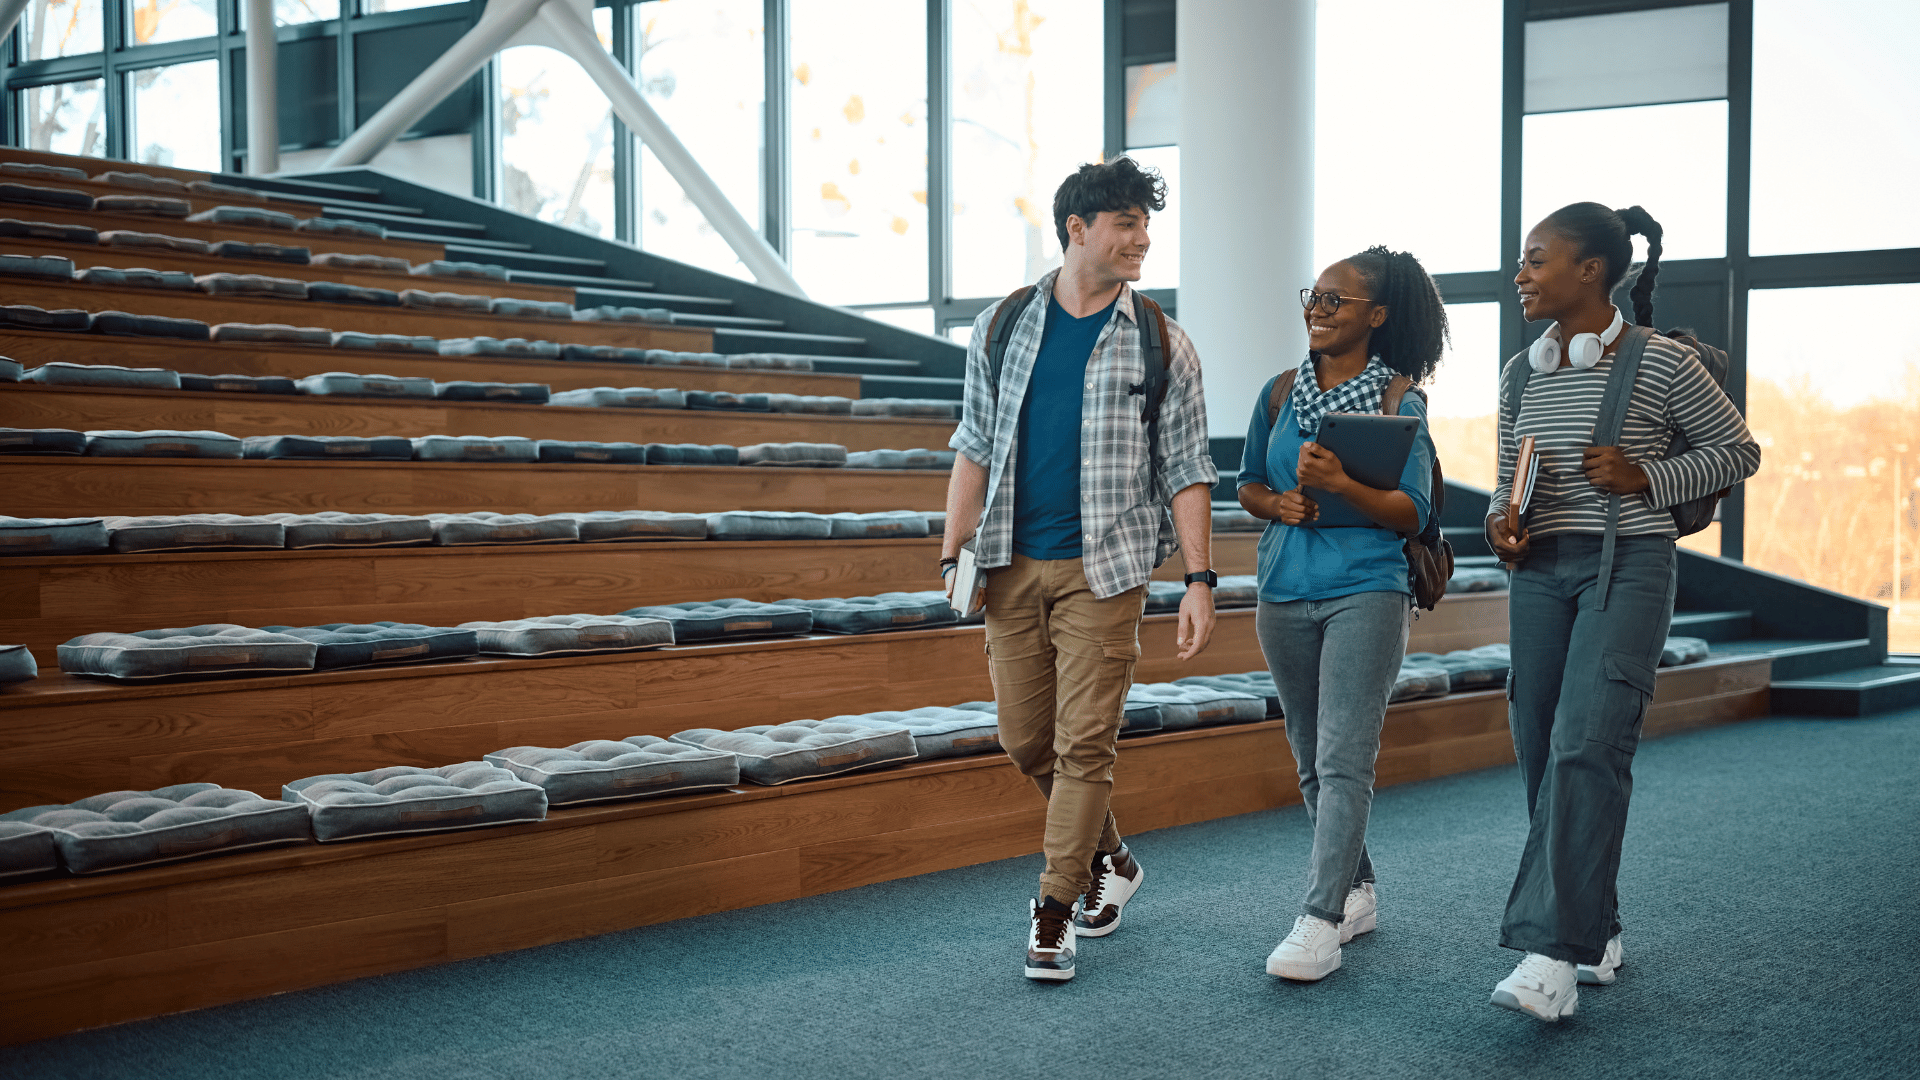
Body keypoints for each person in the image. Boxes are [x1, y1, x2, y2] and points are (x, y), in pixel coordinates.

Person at [940, 157, 1219, 983]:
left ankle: (1055, 909)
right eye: (1126, 223)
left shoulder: (1163, 340)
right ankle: (1116, 861)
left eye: (1145, 223)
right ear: (1077, 230)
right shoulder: (1002, 325)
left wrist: (1199, 580)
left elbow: (1188, 468)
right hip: (1009, 566)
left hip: (1109, 571)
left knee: (1085, 744)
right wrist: (950, 551)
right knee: (1026, 739)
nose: (1141, 239)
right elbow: (973, 449)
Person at [1486, 203, 1760, 1021]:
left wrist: (1645, 475)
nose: (1521, 274)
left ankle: (1553, 954)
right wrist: (1503, 520)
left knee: (1585, 743)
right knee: (1540, 743)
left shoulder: (1662, 364)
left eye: (1536, 260)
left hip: (1628, 567)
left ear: (1591, 271)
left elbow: (1740, 450)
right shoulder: (1520, 372)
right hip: (1537, 573)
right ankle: (1595, 926)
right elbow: (1507, 477)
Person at [1235, 246, 1446, 982]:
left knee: (1343, 758)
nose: (1317, 310)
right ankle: (1356, 890)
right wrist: (1280, 501)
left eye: (1336, 301)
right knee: (1309, 759)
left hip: (1365, 589)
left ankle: (1320, 919)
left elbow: (1410, 511)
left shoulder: (1398, 400)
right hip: (1282, 591)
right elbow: (1248, 484)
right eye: (1314, 297)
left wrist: (1341, 486)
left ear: (1376, 316)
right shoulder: (1277, 393)